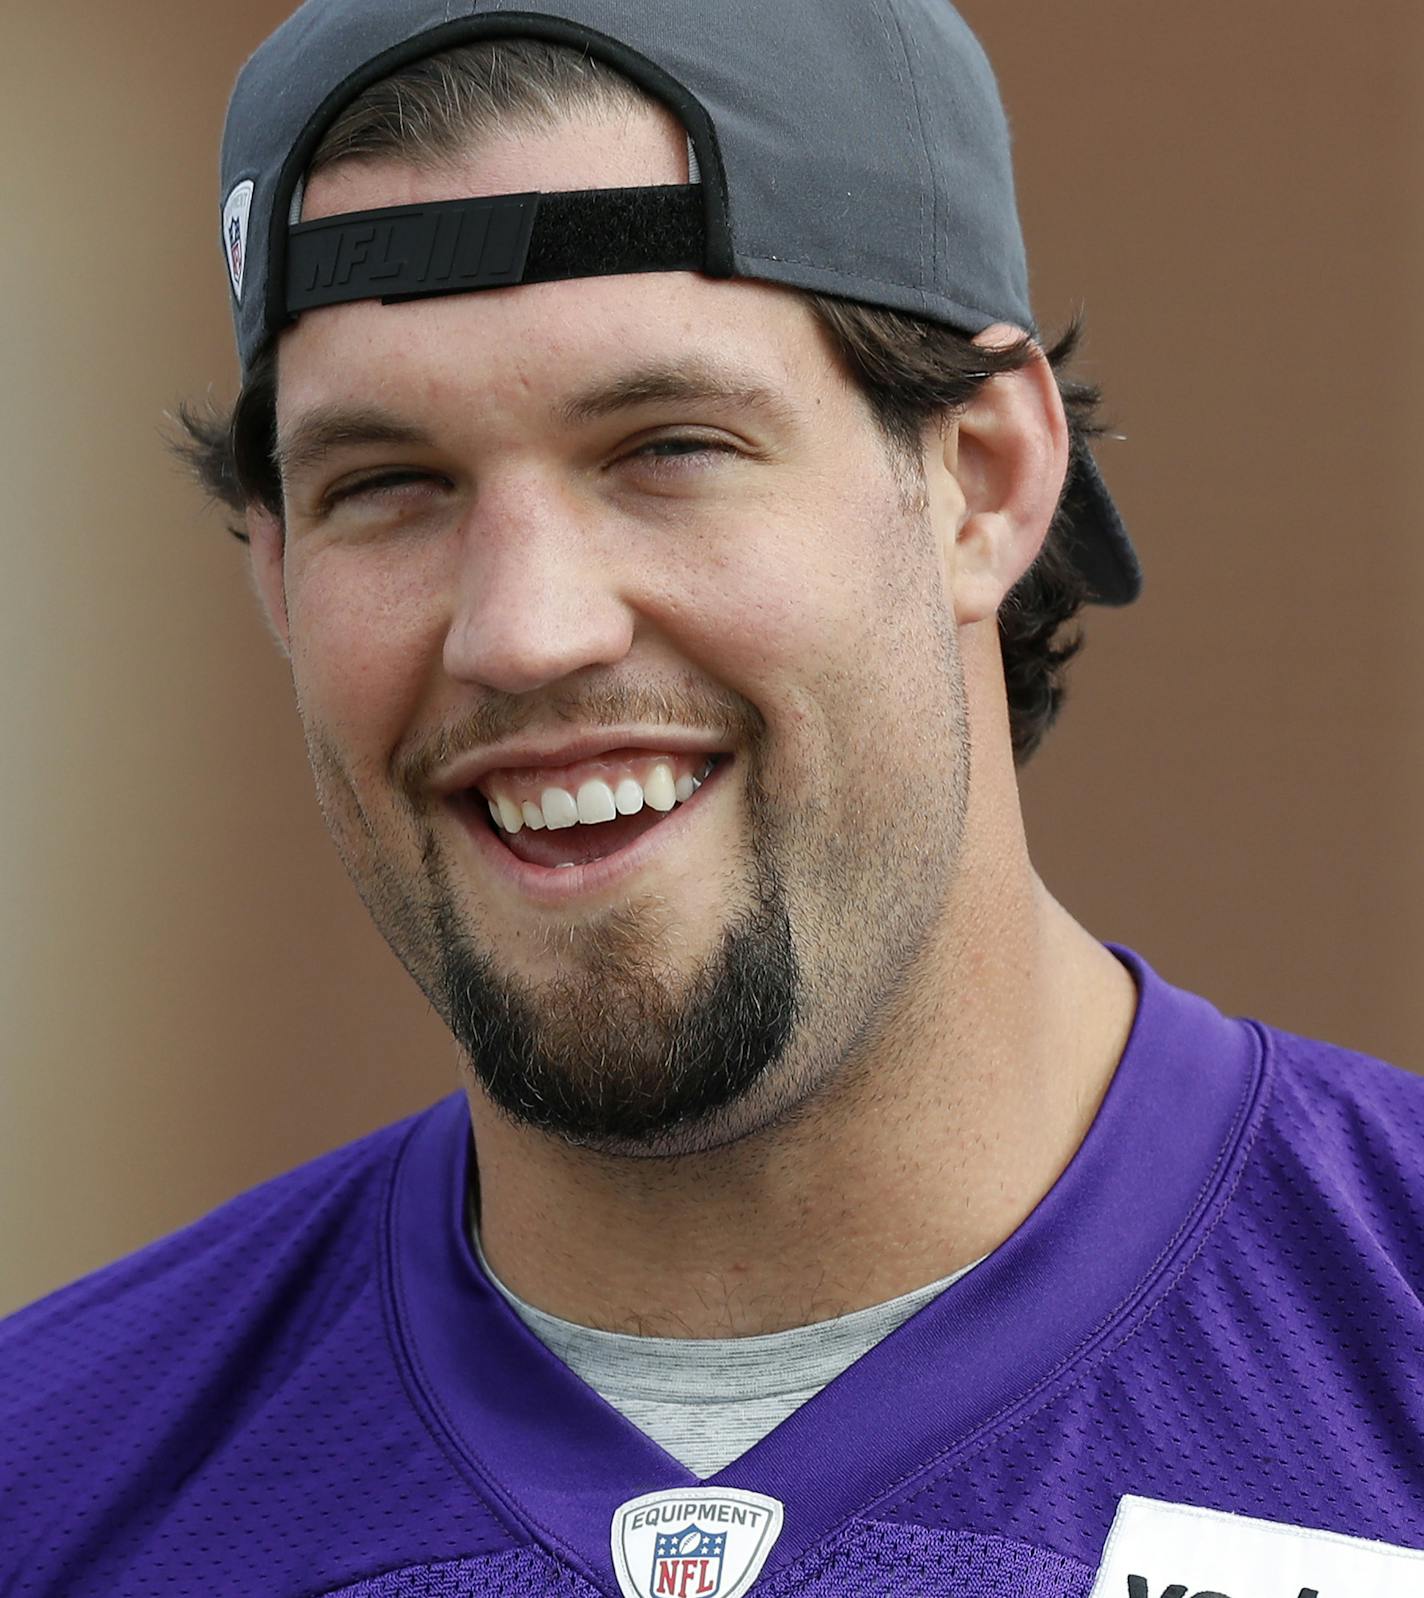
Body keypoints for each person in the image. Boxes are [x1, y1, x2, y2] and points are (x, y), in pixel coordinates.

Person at [4, 1, 1422, 1594]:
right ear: (273, 567)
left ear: (983, 476)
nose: (524, 628)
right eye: (387, 486)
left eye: (666, 445)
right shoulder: (54, 1483)